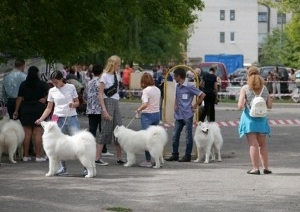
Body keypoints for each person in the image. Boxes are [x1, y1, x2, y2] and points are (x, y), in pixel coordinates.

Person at [35, 70, 81, 176]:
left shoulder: (71, 87)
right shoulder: (52, 91)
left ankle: (85, 168)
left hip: (71, 117)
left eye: (56, 82)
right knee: (58, 145)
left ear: (61, 79)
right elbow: (49, 107)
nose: (55, 84)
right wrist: (41, 119)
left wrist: (73, 105)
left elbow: (77, 102)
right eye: (53, 82)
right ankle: (62, 168)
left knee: (78, 141)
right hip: (57, 119)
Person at [238, 66, 273, 175]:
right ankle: (266, 168)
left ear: (248, 75)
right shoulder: (265, 88)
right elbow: (270, 106)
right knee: (262, 145)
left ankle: (255, 168)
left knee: (253, 144)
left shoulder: (245, 88)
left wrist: (244, 102)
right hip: (261, 119)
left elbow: (240, 105)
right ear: (259, 74)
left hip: (249, 119)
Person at [165, 68, 206, 162]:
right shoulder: (177, 86)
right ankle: (175, 154)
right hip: (179, 114)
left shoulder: (189, 86)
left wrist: (195, 105)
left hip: (187, 114)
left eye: (175, 76)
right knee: (175, 135)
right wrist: (175, 104)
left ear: (179, 76)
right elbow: (177, 96)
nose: (174, 78)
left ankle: (187, 155)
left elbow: (202, 94)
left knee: (188, 136)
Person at [13, 66, 49, 162]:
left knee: (27, 133)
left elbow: (19, 98)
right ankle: (38, 156)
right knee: (37, 133)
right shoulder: (42, 84)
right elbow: (50, 90)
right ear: (37, 73)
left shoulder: (23, 84)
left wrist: (16, 110)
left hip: (26, 109)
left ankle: (25, 156)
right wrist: (45, 98)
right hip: (38, 108)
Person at [98, 55, 125, 165]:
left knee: (119, 129)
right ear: (113, 64)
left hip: (115, 102)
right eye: (118, 64)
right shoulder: (104, 76)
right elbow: (100, 94)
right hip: (107, 101)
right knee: (105, 130)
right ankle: (97, 157)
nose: (119, 66)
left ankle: (119, 157)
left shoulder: (117, 75)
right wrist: (104, 110)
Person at [83, 64, 108, 166]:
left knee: (92, 129)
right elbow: (104, 95)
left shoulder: (89, 82)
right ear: (102, 72)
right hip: (100, 109)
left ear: (92, 72)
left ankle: (90, 149)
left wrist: (88, 102)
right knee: (103, 130)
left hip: (91, 109)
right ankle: (103, 149)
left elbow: (84, 95)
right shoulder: (101, 82)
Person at [136, 73, 161, 167]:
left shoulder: (146, 90)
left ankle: (147, 160)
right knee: (155, 139)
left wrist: (138, 109)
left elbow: (145, 104)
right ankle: (157, 160)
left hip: (147, 115)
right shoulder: (157, 89)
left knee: (147, 139)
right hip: (157, 114)